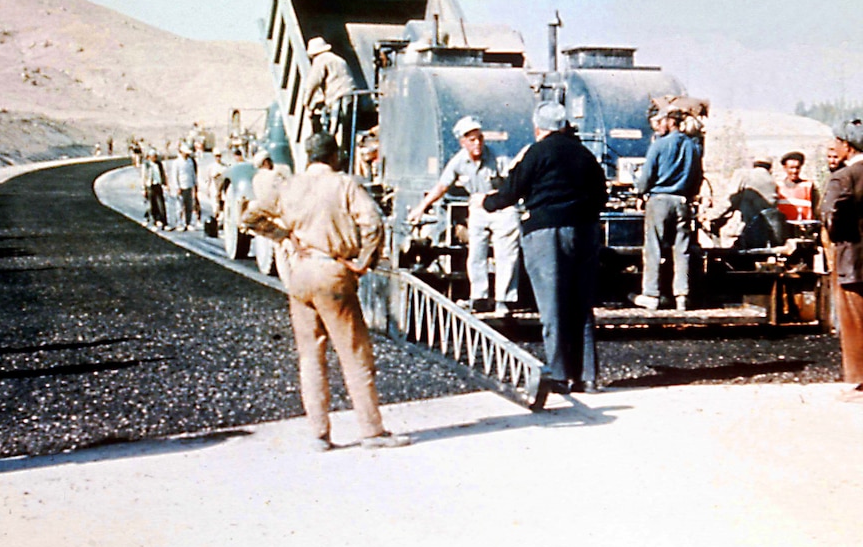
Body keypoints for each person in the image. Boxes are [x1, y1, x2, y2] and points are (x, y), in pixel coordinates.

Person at [240, 132, 410, 451]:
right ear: (335, 155)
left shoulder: (288, 186)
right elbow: (373, 224)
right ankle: (372, 431)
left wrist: (284, 237)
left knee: (311, 356)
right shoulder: (344, 184)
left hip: (300, 274)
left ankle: (319, 434)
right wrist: (364, 261)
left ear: (307, 156)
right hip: (332, 272)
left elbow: (250, 217)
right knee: (354, 353)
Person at [473, 102, 606, 393]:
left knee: (553, 304)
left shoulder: (538, 152)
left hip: (546, 232)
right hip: (585, 231)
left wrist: (485, 202)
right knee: (581, 305)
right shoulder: (585, 154)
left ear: (538, 128)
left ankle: (560, 375)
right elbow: (602, 194)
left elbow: (510, 192)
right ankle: (588, 376)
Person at [407, 116, 521, 317]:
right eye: (471, 140)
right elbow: (442, 186)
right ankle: (479, 296)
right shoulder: (459, 162)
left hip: (501, 208)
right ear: (463, 142)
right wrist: (422, 207)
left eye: (479, 138)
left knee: (506, 255)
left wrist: (492, 196)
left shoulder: (497, 157)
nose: (477, 144)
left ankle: (504, 300)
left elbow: (513, 182)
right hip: (478, 210)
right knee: (476, 253)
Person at [632, 108, 703, 310]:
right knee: (682, 250)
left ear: (670, 122)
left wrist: (639, 193)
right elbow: (697, 176)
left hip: (660, 200)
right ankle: (682, 295)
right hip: (682, 201)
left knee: (653, 248)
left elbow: (647, 176)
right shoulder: (693, 147)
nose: (658, 125)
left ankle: (651, 294)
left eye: (661, 121)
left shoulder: (660, 144)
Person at [819, 119, 863, 403]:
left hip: (853, 260)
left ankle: (859, 381)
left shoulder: (844, 177)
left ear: (846, 146)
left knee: (855, 321)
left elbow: (829, 215)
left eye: (836, 142)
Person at [707, 156, 784, 249]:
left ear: (753, 164)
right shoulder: (772, 182)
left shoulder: (744, 175)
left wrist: (710, 215)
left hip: (749, 231)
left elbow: (730, 201)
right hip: (767, 235)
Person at [302, 37, 354, 140]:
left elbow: (312, 83)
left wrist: (306, 102)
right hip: (350, 94)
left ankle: (332, 146)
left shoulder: (320, 60)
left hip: (337, 95)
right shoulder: (338, 59)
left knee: (334, 127)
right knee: (345, 125)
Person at [777, 151, 817, 222]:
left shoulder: (808, 186)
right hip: (784, 229)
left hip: (804, 229)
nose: (794, 171)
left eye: (797, 168)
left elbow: (816, 210)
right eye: (791, 168)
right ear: (785, 168)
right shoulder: (778, 187)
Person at [171, 144, 199, 230]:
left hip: (189, 185)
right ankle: (179, 223)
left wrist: (195, 183)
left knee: (189, 206)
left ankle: (188, 222)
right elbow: (174, 175)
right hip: (181, 187)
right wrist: (177, 186)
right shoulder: (177, 162)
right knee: (180, 206)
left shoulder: (190, 161)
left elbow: (193, 173)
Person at [141, 149, 169, 229]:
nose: (155, 158)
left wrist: (165, 184)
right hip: (150, 186)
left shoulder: (159, 164)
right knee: (151, 205)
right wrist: (143, 188)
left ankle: (164, 222)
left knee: (161, 204)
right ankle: (155, 220)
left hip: (158, 185)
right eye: (153, 156)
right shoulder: (146, 165)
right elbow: (144, 177)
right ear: (149, 157)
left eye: (155, 156)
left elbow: (163, 174)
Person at [203, 149, 227, 222]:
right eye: (216, 156)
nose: (218, 158)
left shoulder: (224, 166)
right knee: (215, 204)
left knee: (222, 202)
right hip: (214, 186)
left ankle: (221, 218)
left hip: (222, 187)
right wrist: (207, 188)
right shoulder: (211, 167)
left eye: (219, 156)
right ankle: (215, 217)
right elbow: (208, 178)